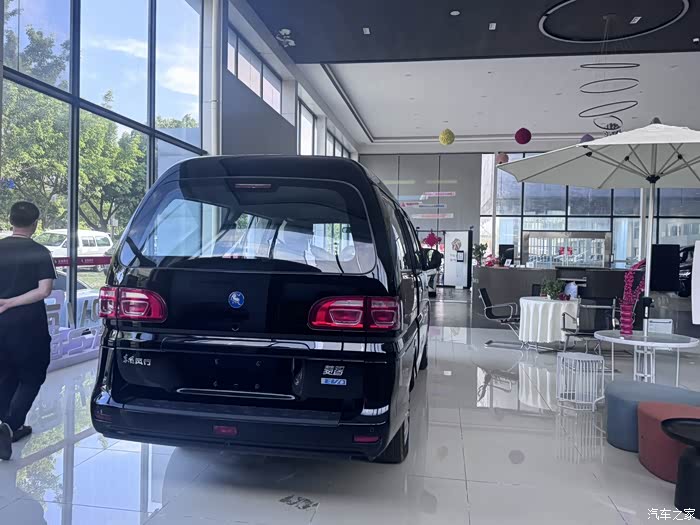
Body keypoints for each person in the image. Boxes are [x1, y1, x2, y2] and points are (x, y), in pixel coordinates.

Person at [0, 202, 56, 461]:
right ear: (35, 224)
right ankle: (11, 426)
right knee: (32, 375)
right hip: (29, 325)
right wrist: (12, 302)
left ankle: (4, 423)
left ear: (10, 220)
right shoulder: (40, 252)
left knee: (5, 374)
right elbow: (44, 290)